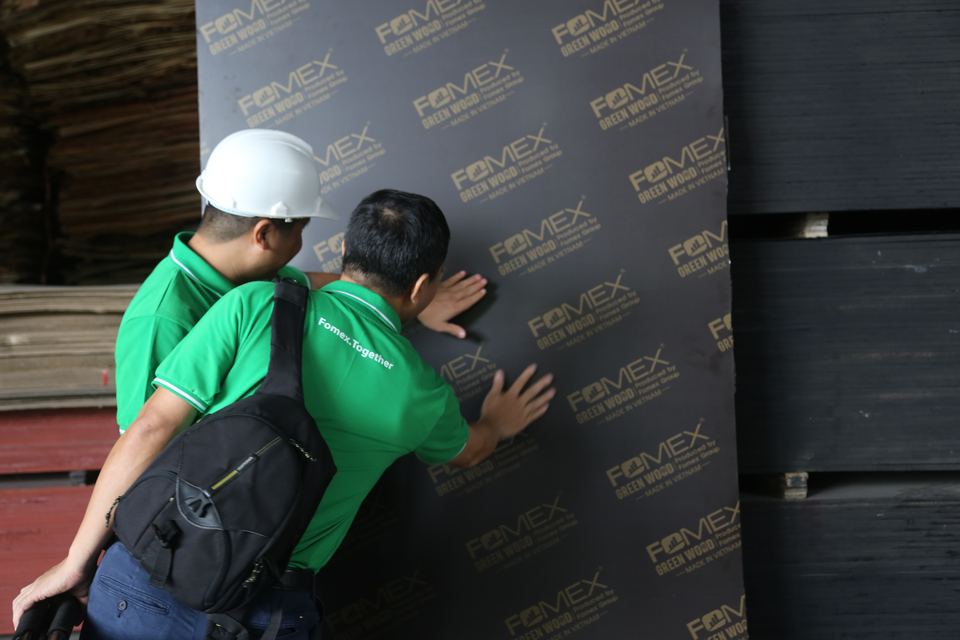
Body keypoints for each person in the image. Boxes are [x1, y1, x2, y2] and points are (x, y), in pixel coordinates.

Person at [12, 189, 555, 639]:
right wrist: (497, 423)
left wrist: (76, 563)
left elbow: (150, 428)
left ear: (346, 251)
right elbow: (470, 451)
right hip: (260, 615)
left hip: (148, 573)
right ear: (421, 287)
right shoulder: (421, 394)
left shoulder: (253, 303)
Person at [115, 128, 487, 433]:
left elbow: (311, 283)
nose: (300, 244)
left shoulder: (249, 273)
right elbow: (143, 439)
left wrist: (404, 300)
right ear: (264, 234)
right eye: (301, 229)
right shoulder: (160, 320)